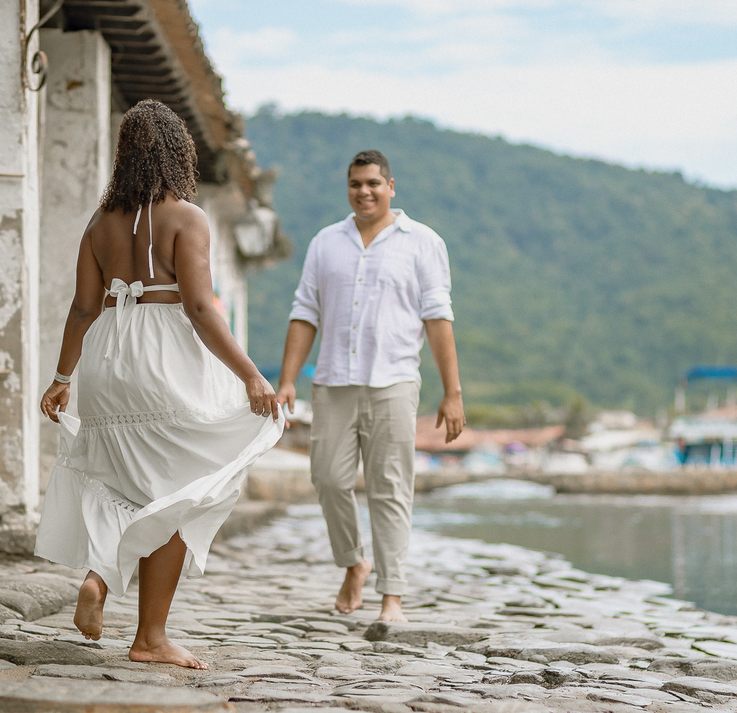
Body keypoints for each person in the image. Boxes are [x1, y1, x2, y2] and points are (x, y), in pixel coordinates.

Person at [37, 100, 283, 669]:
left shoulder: (100, 224)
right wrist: (250, 374)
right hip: (163, 358)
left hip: (107, 361)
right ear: (178, 153)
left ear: (125, 156)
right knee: (180, 489)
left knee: (122, 483)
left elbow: (82, 308)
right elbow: (199, 306)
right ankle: (150, 637)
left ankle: (99, 578)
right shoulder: (188, 218)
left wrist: (61, 378)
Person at [277, 149, 465, 623]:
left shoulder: (423, 242)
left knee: (390, 488)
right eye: (355, 184)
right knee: (328, 479)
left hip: (393, 382)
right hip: (333, 382)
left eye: (373, 183)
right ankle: (353, 563)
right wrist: (286, 381)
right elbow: (305, 312)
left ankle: (391, 597)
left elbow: (438, 318)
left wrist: (452, 393)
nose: (364, 192)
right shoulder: (326, 242)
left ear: (391, 187)